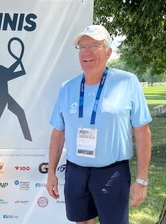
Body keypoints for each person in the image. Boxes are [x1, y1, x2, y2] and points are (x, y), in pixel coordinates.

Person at [46, 25, 152, 224]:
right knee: (82, 221)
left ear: (108, 52)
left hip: (112, 173)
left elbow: (142, 132)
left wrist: (141, 180)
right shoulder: (67, 88)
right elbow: (58, 134)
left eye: (94, 46)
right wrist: (51, 173)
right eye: (81, 47)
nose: (86, 52)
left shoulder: (127, 82)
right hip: (76, 171)